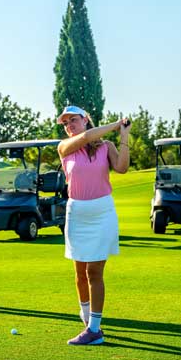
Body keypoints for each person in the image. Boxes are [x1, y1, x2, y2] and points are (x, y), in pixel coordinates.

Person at [57, 105, 130, 345]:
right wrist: (117, 123)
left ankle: (95, 329)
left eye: (74, 120)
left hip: (102, 212)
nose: (69, 126)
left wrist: (123, 136)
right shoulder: (64, 148)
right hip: (77, 212)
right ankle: (88, 318)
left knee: (94, 272)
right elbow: (86, 137)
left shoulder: (106, 147)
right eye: (66, 123)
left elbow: (121, 167)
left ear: (86, 119)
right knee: (79, 273)